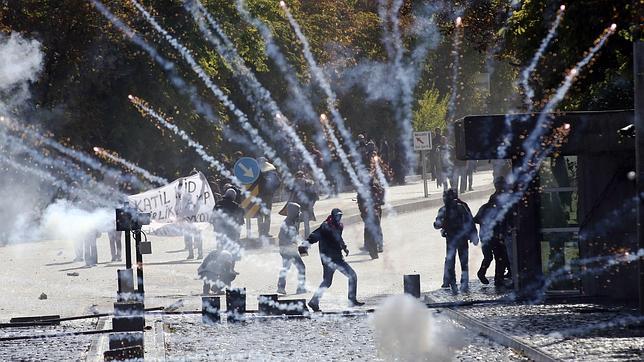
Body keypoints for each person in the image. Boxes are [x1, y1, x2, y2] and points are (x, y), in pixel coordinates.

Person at [304, 208, 364, 311]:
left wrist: (344, 247)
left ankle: (351, 300)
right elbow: (315, 235)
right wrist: (306, 244)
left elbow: (339, 238)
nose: (338, 217)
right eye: (337, 216)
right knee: (327, 282)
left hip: (338, 257)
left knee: (352, 276)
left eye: (340, 216)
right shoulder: (325, 225)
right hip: (328, 259)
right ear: (332, 216)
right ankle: (314, 302)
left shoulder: (339, 226)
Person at [434, 189, 479, 293]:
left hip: (454, 239)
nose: (444, 199)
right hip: (458, 238)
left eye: (445, 196)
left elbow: (438, 224)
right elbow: (470, 222)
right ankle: (460, 284)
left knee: (453, 261)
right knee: (459, 262)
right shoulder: (460, 207)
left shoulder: (449, 209)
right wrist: (474, 236)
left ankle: (455, 284)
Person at [474, 177, 513, 287]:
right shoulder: (498, 204)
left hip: (488, 236)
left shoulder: (485, 207)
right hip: (494, 236)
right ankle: (496, 278)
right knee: (499, 257)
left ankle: (491, 276)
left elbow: (475, 220)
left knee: (493, 257)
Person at [276, 202, 307, 295]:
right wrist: (290, 244)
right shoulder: (286, 223)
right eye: (298, 212)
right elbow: (281, 236)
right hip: (287, 250)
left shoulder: (293, 222)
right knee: (300, 267)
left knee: (286, 268)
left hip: (290, 249)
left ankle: (282, 287)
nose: (299, 214)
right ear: (293, 213)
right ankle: (299, 288)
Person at [281, 171, 318, 237]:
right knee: (300, 223)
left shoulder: (307, 183)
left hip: (302, 206)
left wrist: (311, 205)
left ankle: (302, 237)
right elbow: (287, 189)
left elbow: (314, 195)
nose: (299, 180)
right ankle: (301, 237)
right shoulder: (297, 184)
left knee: (300, 223)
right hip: (299, 207)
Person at [357, 177, 385, 259]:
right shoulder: (373, 187)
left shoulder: (373, 187)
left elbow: (381, 193)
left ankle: (377, 245)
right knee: (373, 228)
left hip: (373, 211)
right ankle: (372, 245)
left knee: (373, 228)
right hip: (372, 211)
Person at [257, 157, 281, 239]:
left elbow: (278, 182)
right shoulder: (271, 173)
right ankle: (264, 232)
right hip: (265, 196)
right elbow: (278, 183)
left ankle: (262, 233)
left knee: (262, 215)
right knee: (264, 215)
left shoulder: (258, 173)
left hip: (261, 196)